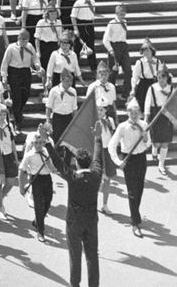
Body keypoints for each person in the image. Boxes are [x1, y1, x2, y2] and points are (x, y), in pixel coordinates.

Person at [48, 129, 103, 287]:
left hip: (73, 223)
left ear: (77, 162)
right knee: (92, 256)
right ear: (89, 162)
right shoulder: (96, 175)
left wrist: (47, 142)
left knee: (75, 257)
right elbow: (99, 157)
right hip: (91, 222)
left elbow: (58, 163)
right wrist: (98, 138)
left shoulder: (73, 177)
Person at [108, 100, 150, 237]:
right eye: (131, 112)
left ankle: (135, 214)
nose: (134, 115)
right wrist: (118, 161)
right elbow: (111, 145)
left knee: (140, 189)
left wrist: (145, 138)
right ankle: (135, 223)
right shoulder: (122, 127)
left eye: (136, 112)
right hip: (129, 160)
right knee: (132, 191)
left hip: (141, 159)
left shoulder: (144, 125)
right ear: (128, 113)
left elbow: (148, 144)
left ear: (139, 113)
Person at [19, 119, 54, 242]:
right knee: (38, 205)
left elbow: (52, 168)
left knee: (48, 202)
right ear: (33, 143)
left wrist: (50, 163)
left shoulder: (46, 151)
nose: (39, 145)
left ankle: (37, 222)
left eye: (41, 142)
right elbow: (21, 170)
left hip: (47, 178)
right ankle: (41, 231)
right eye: (37, 143)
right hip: (37, 180)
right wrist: (21, 187)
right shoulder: (29, 155)